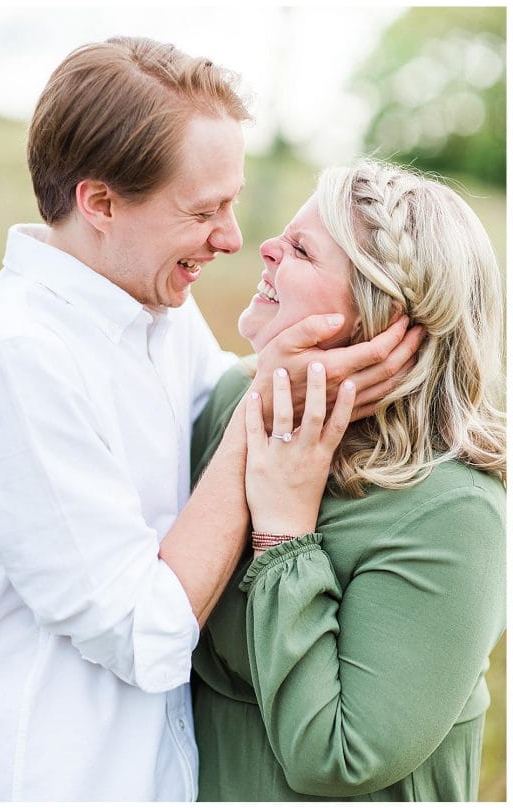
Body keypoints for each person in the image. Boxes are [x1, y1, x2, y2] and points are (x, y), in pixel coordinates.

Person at [0, 37, 423, 802]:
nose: (232, 237)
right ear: (101, 204)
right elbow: (143, 635)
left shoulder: (154, 312)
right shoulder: (18, 357)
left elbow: (242, 401)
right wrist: (264, 404)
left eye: (233, 200)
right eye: (203, 210)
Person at [190, 160, 505, 801]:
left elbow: (337, 760)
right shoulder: (232, 402)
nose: (265, 248)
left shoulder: (453, 509)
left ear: (378, 312)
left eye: (301, 250)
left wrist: (285, 533)